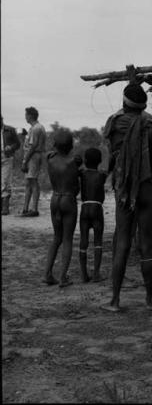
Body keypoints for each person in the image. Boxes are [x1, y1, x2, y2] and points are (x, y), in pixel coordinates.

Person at [101, 83, 152, 312]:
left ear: (124, 103)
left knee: (123, 242)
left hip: (125, 192)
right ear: (143, 106)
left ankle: (115, 301)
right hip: (146, 190)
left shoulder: (114, 126)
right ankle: (149, 299)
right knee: (146, 242)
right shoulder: (151, 128)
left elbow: (112, 161)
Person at [45, 129, 80, 287]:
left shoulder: (50, 159)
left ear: (54, 144)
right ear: (71, 146)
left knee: (56, 238)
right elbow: (76, 186)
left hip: (55, 199)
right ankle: (63, 278)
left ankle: (47, 274)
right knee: (67, 240)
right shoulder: (73, 162)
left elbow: (50, 153)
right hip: (68, 199)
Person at [79, 147, 108, 283]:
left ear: (85, 160)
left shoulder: (82, 173)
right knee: (98, 242)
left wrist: (79, 163)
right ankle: (96, 274)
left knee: (83, 242)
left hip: (85, 208)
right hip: (97, 208)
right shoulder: (102, 175)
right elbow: (109, 169)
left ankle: (84, 274)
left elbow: (76, 168)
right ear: (100, 161)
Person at [21, 107, 47, 217]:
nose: (25, 117)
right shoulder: (35, 128)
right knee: (28, 182)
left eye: (26, 114)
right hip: (32, 155)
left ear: (31, 115)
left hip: (34, 156)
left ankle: (34, 209)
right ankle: (25, 208)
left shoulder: (36, 128)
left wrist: (25, 161)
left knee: (33, 181)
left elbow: (34, 146)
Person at [1, 116, 21, 215]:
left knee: (5, 181)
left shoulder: (10, 130)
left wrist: (11, 147)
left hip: (6, 157)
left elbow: (18, 144)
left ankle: (5, 207)